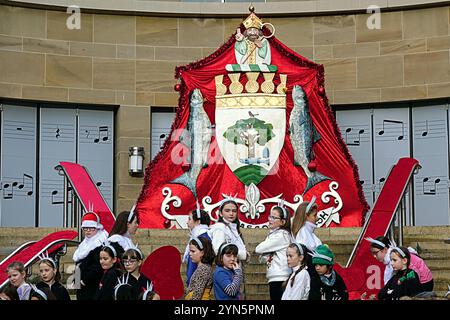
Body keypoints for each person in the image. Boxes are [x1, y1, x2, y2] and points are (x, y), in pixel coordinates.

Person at [366, 236, 433, 292]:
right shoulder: (391, 258)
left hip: (424, 284)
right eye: (372, 253)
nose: (374, 256)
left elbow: (414, 276)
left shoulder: (398, 256)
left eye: (375, 253)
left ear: (385, 250)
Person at [255, 204, 292, 300]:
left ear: (283, 221)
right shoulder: (274, 234)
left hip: (281, 277)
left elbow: (258, 249)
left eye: (274, 217)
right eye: (270, 216)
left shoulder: (281, 235)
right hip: (275, 277)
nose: (270, 219)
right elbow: (262, 258)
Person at [291, 197, 322, 300]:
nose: (316, 218)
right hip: (309, 279)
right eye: (314, 215)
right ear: (306, 216)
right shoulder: (303, 234)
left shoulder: (308, 233)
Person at [73, 211, 108, 300]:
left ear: (97, 228)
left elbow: (98, 266)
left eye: (91, 228)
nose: (88, 231)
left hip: (93, 286)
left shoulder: (100, 244)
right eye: (85, 228)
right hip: (81, 287)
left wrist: (84, 281)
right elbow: (78, 265)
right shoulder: (83, 244)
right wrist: (76, 282)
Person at [183, 205, 211, 287]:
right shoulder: (202, 236)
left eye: (189, 219)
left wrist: (190, 281)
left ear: (198, 222)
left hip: (197, 280)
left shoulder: (202, 238)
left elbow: (195, 262)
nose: (187, 222)